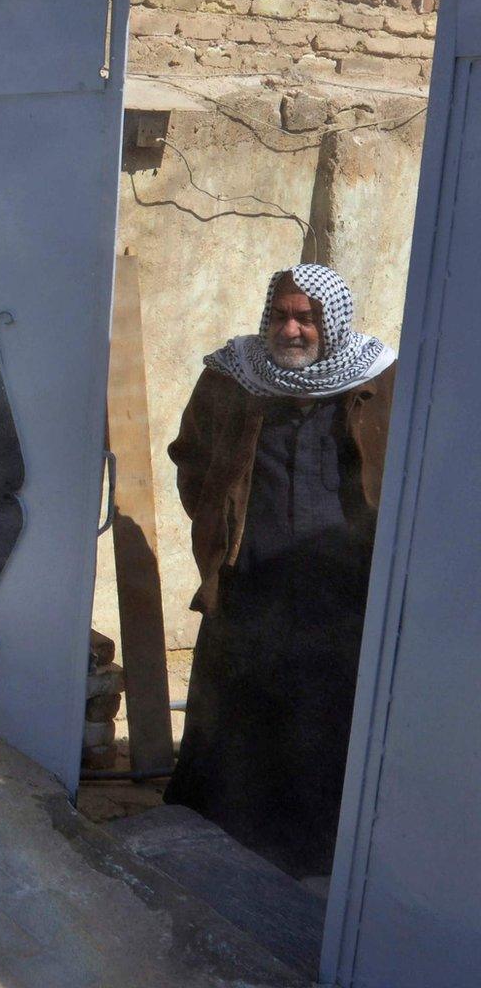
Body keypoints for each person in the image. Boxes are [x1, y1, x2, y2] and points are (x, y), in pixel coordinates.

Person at [165, 264, 396, 879]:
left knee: (324, 715)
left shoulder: (380, 380)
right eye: (282, 315)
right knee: (236, 710)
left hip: (343, 588)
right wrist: (214, 518)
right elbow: (189, 457)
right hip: (250, 576)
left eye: (307, 317)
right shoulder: (230, 378)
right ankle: (219, 839)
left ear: (333, 322)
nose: (292, 329)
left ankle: (315, 853)